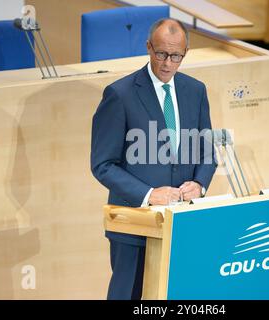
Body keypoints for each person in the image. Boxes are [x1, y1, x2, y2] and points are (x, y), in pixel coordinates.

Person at [90, 18, 216, 300]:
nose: (167, 64)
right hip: (134, 225)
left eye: (176, 56)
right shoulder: (119, 95)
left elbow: (207, 150)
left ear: (185, 53)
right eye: (161, 54)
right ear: (148, 48)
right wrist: (149, 194)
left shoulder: (196, 91)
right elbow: (102, 164)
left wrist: (199, 184)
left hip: (182, 222)